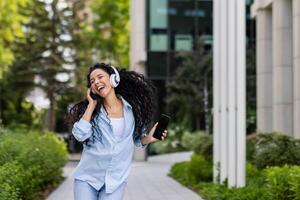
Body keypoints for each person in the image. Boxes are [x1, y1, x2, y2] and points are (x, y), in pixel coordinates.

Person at [67, 63, 168, 200]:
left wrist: (150, 138)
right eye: (92, 81)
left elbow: (136, 139)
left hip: (116, 180)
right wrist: (91, 106)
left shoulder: (131, 110)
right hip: (87, 178)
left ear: (113, 79)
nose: (96, 82)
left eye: (100, 77)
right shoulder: (93, 112)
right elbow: (80, 135)